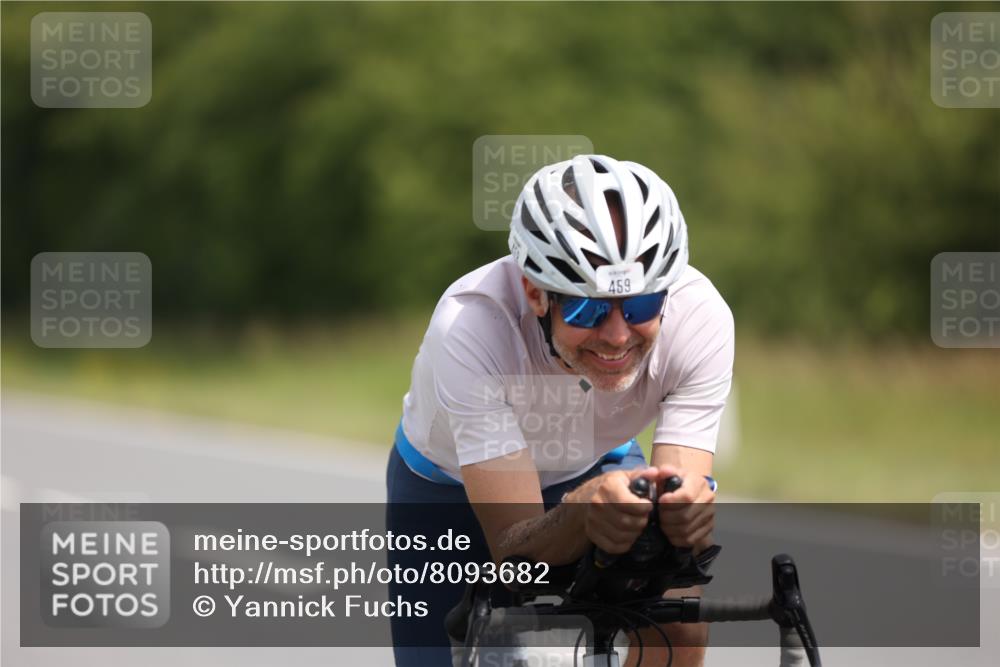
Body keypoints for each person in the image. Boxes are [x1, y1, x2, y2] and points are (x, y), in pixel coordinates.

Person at [386, 154, 734, 666]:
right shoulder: (470, 326)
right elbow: (513, 548)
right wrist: (581, 512)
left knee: (675, 622)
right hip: (448, 485)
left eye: (640, 306)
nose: (617, 336)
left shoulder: (699, 317)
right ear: (534, 292)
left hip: (595, 463)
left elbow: (679, 511)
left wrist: (682, 518)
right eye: (587, 309)